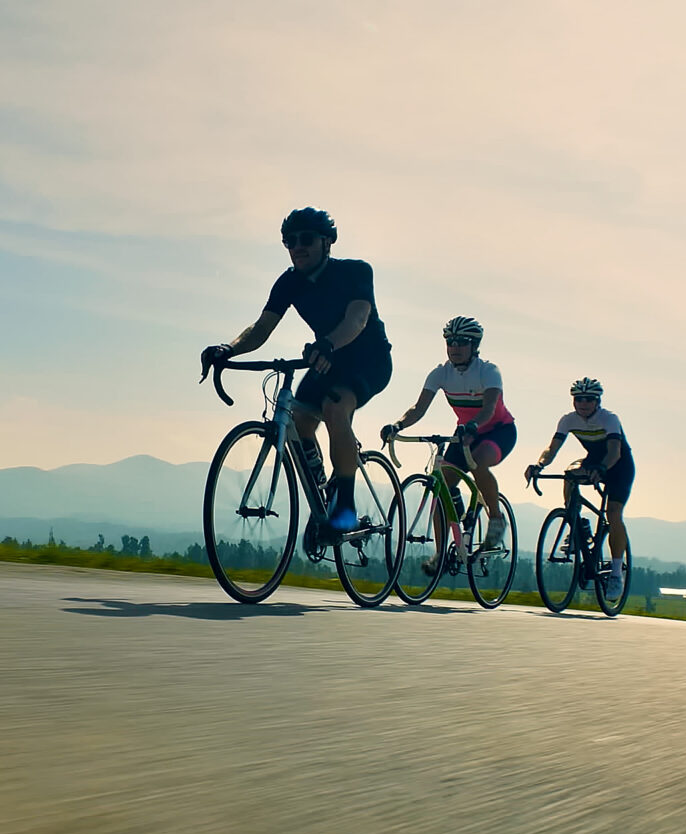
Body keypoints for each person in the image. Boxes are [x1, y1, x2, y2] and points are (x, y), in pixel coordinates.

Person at [199, 207, 393, 547]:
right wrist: (227, 349)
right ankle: (323, 494)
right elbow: (261, 328)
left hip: (368, 359)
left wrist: (329, 343)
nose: (296, 247)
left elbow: (358, 319)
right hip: (324, 360)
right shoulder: (289, 282)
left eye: (305, 240)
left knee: (335, 409)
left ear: (327, 242)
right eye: (289, 242)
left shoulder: (356, 272)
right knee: (299, 421)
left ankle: (344, 506)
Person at [380, 316, 515, 574]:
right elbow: (418, 408)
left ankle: (496, 518)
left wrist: (474, 426)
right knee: (441, 488)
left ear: (474, 345)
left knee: (478, 463)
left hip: (498, 431)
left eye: (462, 342)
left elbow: (488, 409)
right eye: (450, 341)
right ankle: (441, 555)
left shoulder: (488, 371)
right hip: (465, 433)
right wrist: (398, 426)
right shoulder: (441, 373)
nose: (454, 347)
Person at [525, 377, 634, 595]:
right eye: (579, 399)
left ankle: (615, 573)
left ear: (598, 401)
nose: (583, 403)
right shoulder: (568, 420)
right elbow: (552, 448)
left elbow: (615, 452)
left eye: (589, 399)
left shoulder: (609, 419)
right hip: (593, 461)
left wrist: (602, 469)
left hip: (619, 466)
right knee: (570, 475)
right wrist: (539, 465)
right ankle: (575, 521)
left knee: (613, 514)